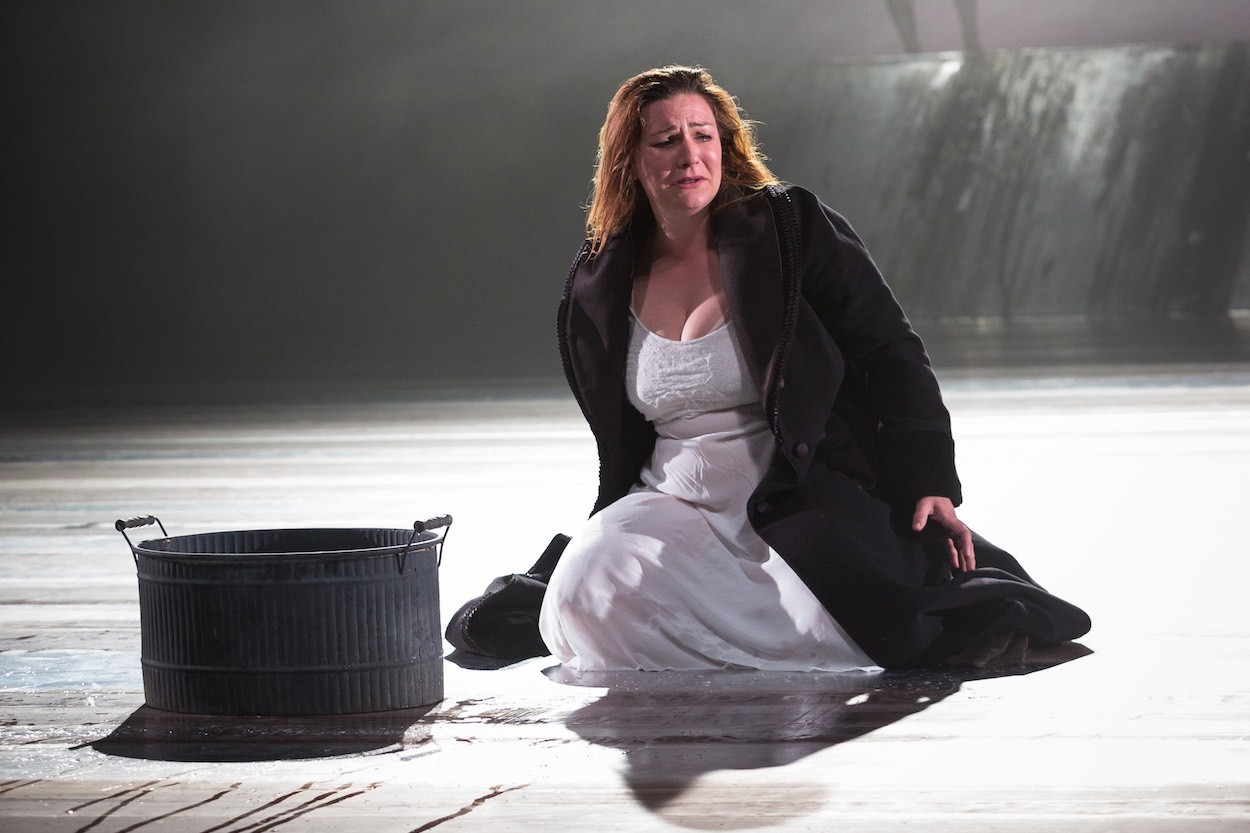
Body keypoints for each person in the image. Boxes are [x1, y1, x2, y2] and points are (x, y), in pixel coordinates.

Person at [537, 65, 1090, 672]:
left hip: (796, 492)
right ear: (629, 161)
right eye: (666, 141)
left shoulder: (789, 227)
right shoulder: (601, 277)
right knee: (581, 594)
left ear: (725, 144)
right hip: (671, 498)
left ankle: (756, 685)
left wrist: (928, 477)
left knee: (838, 627)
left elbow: (890, 350)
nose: (690, 156)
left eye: (703, 136)